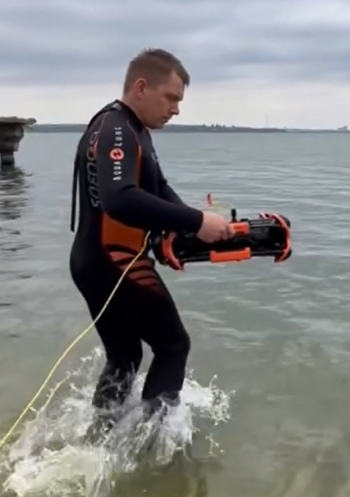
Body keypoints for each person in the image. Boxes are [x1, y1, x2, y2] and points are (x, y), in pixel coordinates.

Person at [69, 48, 234, 423]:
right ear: (141, 88)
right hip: (114, 262)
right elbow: (119, 198)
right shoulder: (117, 128)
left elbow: (158, 188)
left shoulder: (131, 128)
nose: (176, 109)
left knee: (125, 354)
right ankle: (154, 444)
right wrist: (197, 220)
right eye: (171, 98)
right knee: (173, 346)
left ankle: (101, 435)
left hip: (95, 262)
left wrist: (183, 232)